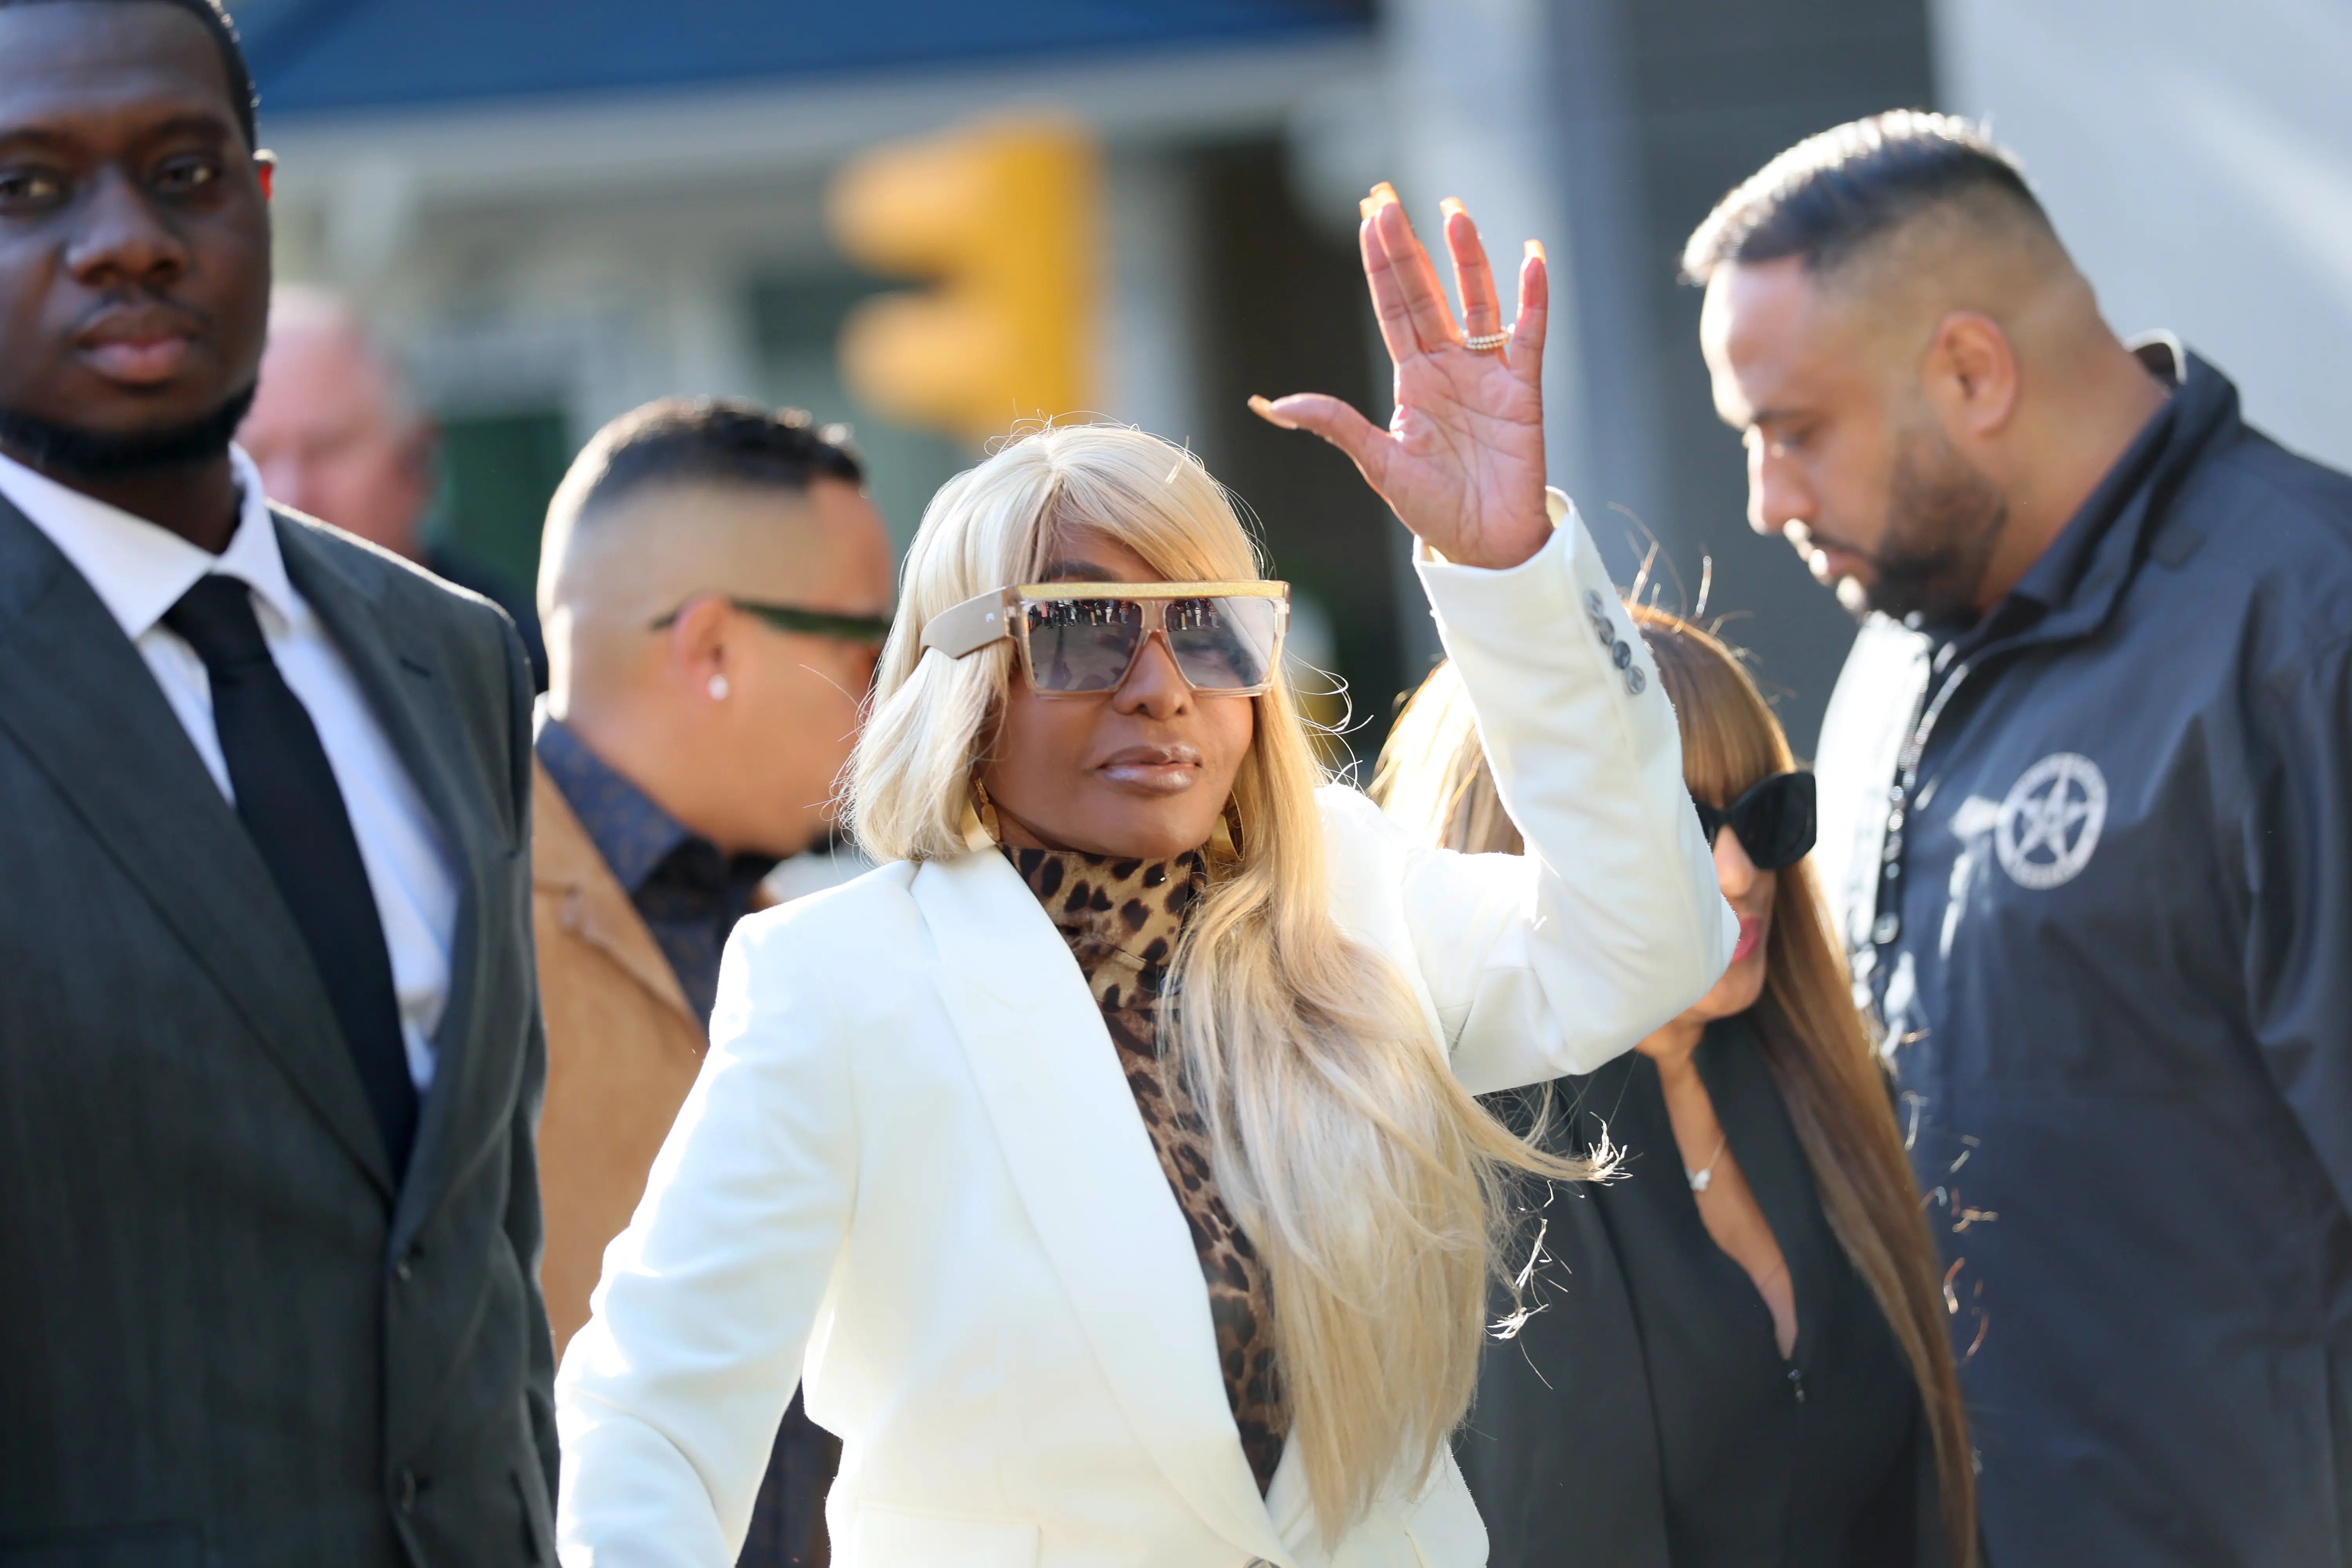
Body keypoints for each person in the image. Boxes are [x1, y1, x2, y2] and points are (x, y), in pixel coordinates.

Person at [552, 190, 1735, 1565]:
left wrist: (1505, 569)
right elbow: (653, 1412)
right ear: (969, 680)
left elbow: (1651, 940)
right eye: (1086, 634)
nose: (1162, 692)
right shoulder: (839, 984)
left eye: (1213, 634)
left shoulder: (1352, 898)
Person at [1686, 110, 2352, 1566]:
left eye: (1793, 431)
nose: (1765, 500)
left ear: (1972, 370)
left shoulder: (2305, 630)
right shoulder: (1890, 672)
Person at [0, 1, 554, 1563]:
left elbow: (478, 1236)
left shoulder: (451, 654)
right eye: (25, 189)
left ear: (253, 204)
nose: (126, 243)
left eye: (179, 173)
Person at [1375, 619, 1974, 1568]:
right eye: (1677, 828)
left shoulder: (1832, 1096)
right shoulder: (1442, 1168)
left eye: (1765, 814)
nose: (1739, 872)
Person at [532, 397, 894, 1567]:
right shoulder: (446, 922)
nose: (893, 692)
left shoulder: (799, 942)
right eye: (862, 641)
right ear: (712, 649)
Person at [240, 284, 550, 688]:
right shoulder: (178, 670)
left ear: (417, 457)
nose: (288, 494)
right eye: (255, 455)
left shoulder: (515, 667)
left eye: (324, 448)